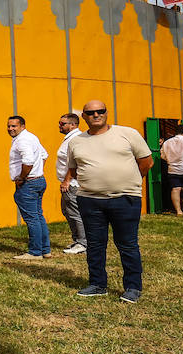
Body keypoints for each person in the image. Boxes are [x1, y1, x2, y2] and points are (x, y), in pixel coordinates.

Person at [64, 100, 152, 302]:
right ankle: (97, 284)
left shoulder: (127, 133)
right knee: (95, 245)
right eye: (91, 112)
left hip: (125, 199)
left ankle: (132, 287)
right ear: (83, 116)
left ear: (106, 113)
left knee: (128, 244)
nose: (96, 115)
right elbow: (74, 169)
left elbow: (146, 162)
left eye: (100, 111)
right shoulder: (76, 141)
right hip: (89, 200)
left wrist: (128, 183)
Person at [7, 115, 51, 258]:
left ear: (22, 126)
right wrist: (38, 171)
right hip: (38, 180)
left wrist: (22, 177)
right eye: (9, 126)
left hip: (29, 183)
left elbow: (28, 160)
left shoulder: (22, 141)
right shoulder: (32, 137)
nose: (10, 128)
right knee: (38, 216)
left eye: (14, 126)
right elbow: (44, 155)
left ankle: (35, 252)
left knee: (32, 219)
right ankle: (45, 250)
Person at [56, 112, 87, 253]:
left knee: (75, 213)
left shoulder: (74, 139)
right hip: (68, 182)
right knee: (67, 211)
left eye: (62, 123)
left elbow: (74, 163)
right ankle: (77, 241)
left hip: (72, 183)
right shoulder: (69, 138)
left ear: (73, 125)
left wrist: (67, 180)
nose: (59, 126)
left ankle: (83, 243)